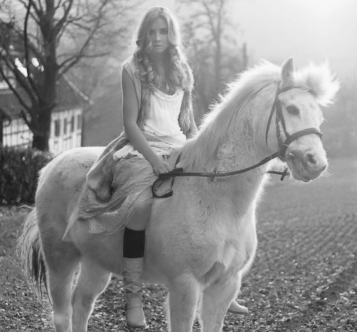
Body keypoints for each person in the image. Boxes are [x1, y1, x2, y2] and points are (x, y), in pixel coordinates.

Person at [71, 6, 248, 328]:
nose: (156, 38)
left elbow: (188, 123)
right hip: (141, 148)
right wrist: (155, 161)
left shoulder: (183, 71)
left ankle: (225, 280)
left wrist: (202, 153)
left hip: (178, 147)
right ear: (143, 35)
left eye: (162, 32)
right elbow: (130, 124)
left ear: (171, 35)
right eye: (151, 32)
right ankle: (133, 297)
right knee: (140, 205)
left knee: (221, 198)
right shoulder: (132, 69)